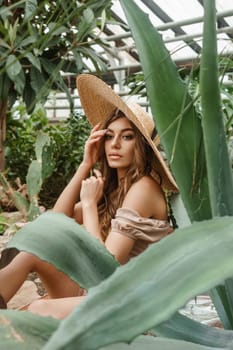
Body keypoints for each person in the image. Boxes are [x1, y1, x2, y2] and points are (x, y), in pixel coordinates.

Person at [0, 74, 178, 319]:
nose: (114, 144)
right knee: (30, 254)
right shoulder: (115, 188)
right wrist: (85, 164)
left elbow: (106, 267)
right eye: (109, 136)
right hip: (101, 290)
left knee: (36, 309)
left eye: (126, 137)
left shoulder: (144, 188)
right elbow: (54, 223)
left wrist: (90, 206)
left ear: (142, 147)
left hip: (131, 304)